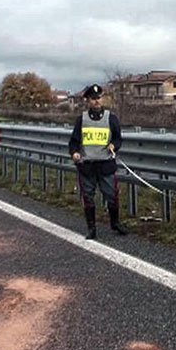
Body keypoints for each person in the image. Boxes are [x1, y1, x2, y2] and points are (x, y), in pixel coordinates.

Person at [68, 83, 128, 239]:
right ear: (88, 100)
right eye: (93, 99)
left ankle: (115, 223)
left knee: (112, 195)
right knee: (88, 197)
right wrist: (74, 153)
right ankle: (91, 228)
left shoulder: (111, 118)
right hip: (87, 166)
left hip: (105, 164)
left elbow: (118, 138)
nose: (96, 101)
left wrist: (114, 145)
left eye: (99, 98)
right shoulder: (82, 119)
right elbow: (74, 141)